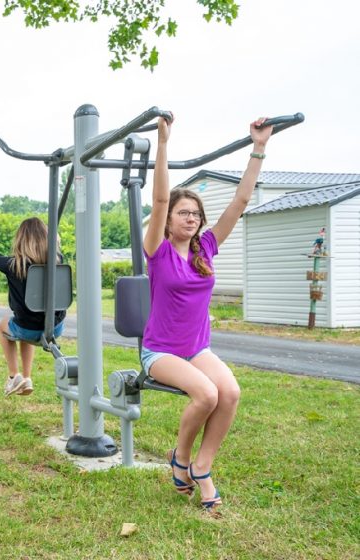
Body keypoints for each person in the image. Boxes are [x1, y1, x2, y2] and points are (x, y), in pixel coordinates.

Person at [142, 115, 273, 513]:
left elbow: (241, 201)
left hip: (197, 348)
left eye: (196, 214)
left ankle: (202, 464)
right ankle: (181, 458)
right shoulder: (158, 251)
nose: (192, 218)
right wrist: (163, 143)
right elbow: (161, 198)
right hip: (160, 351)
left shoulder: (206, 250)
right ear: (169, 220)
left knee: (230, 392)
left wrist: (259, 148)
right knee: (207, 393)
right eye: (184, 213)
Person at [0, 217, 66, 397]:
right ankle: (27, 377)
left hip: (27, 329)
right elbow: (55, 243)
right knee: (26, 325)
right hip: (54, 329)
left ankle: (13, 376)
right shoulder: (58, 261)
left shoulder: (12, 265)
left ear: (20, 240)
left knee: (5, 324)